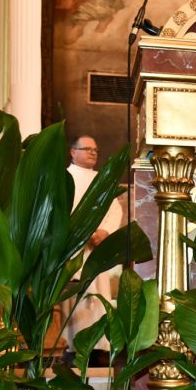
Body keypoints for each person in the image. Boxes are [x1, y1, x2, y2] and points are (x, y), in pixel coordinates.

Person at [65, 135, 126, 363]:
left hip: (97, 247)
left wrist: (104, 232)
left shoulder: (103, 179)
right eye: (87, 149)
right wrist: (84, 233)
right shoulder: (65, 178)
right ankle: (74, 347)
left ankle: (100, 347)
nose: (92, 153)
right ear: (73, 152)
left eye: (96, 150)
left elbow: (114, 210)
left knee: (98, 296)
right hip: (73, 250)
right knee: (77, 300)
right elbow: (63, 209)